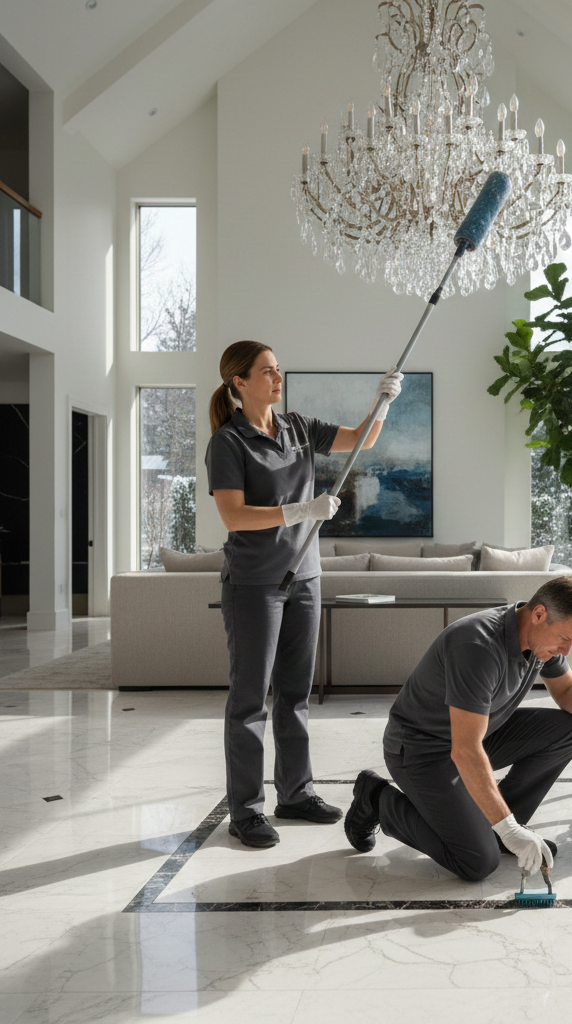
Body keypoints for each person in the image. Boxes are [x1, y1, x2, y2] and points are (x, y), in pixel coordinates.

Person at [206, 340, 402, 849]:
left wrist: (384, 402)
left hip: (305, 580)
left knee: (295, 695)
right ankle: (246, 812)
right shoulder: (229, 442)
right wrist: (298, 511)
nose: (278, 377)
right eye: (267, 371)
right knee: (250, 701)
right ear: (239, 383)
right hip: (255, 584)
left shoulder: (296, 427)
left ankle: (295, 793)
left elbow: (361, 439)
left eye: (278, 369)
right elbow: (232, 515)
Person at [343, 575, 572, 881]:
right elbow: (465, 751)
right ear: (539, 614)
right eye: (565, 640)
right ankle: (376, 799)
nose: (567, 651)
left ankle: (498, 828)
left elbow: (567, 691)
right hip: (420, 750)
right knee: (476, 861)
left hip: (475, 734)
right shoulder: (477, 646)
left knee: (568, 731)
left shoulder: (539, 638)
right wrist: (509, 829)